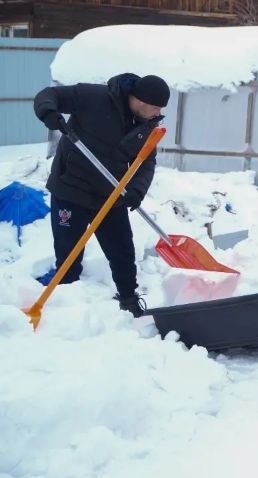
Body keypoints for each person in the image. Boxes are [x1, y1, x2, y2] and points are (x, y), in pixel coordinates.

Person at [32, 73, 170, 317]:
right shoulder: (93, 97)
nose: (158, 113)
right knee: (69, 256)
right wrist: (48, 112)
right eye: (156, 107)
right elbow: (48, 95)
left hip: (110, 194)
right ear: (139, 100)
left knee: (123, 252)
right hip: (70, 189)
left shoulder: (147, 126)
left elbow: (146, 162)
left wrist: (136, 190)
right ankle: (65, 310)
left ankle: (128, 301)